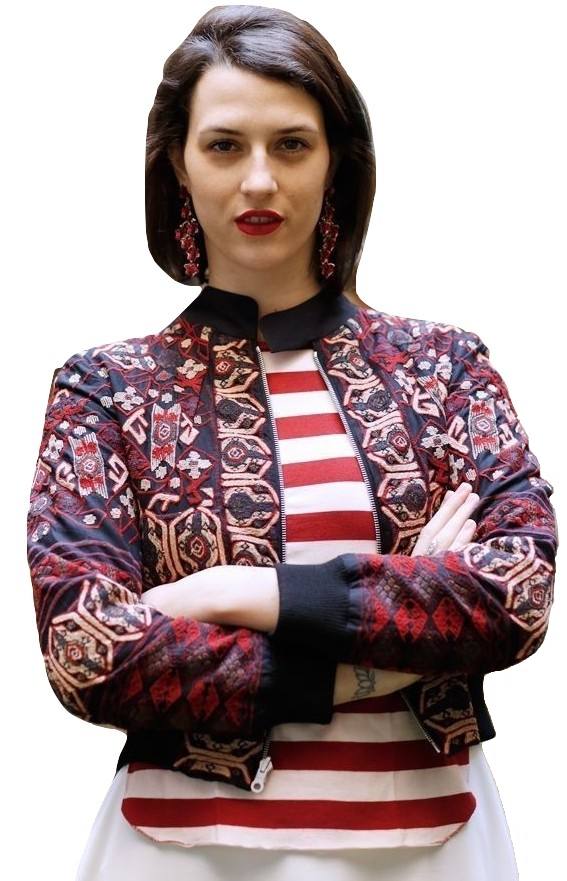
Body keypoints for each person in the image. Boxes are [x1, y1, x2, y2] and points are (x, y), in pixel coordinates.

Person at [26, 5, 557, 879]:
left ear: (336, 161)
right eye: (224, 145)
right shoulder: (106, 389)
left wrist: (233, 590)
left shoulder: (445, 366)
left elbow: (516, 591)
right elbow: (87, 648)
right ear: (178, 164)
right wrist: (373, 663)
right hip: (178, 852)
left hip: (433, 846)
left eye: (292, 145)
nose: (259, 179)